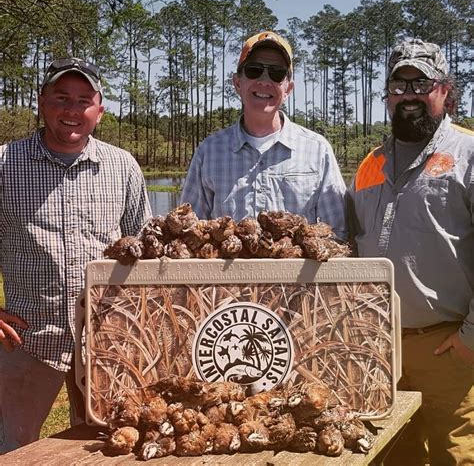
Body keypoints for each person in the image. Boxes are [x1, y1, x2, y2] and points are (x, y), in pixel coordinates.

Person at [0, 58, 152, 453]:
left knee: (111, 447)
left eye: (84, 100)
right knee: (11, 449)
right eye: (61, 98)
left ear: (99, 110)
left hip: (109, 340)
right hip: (30, 338)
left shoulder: (122, 167)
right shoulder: (4, 164)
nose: (72, 110)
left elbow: (148, 253)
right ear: (41, 102)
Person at [347, 38, 473, 465]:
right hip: (378, 351)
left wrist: (470, 338)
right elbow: (349, 250)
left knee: (455, 456)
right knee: (390, 457)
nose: (409, 96)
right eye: (399, 87)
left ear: (444, 89)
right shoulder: (370, 164)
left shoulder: (468, 154)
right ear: (386, 95)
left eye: (421, 83)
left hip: (448, 347)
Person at [181, 31, 347, 239]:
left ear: (288, 88)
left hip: (297, 273)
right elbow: (188, 234)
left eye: (277, 73)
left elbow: (338, 233)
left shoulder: (316, 150)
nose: (264, 81)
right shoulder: (209, 152)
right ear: (237, 83)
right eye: (254, 70)